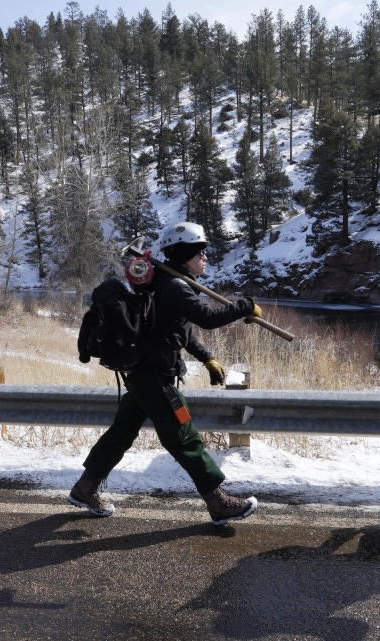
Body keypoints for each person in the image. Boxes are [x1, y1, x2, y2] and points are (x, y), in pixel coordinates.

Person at [68, 221, 263, 526]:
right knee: (184, 437)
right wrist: (245, 306)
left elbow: (180, 332)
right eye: (201, 253)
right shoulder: (174, 286)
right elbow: (207, 318)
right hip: (153, 377)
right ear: (186, 254)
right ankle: (218, 502)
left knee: (121, 433)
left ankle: (84, 488)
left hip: (141, 374)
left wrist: (207, 357)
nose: (206, 258)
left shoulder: (170, 282)